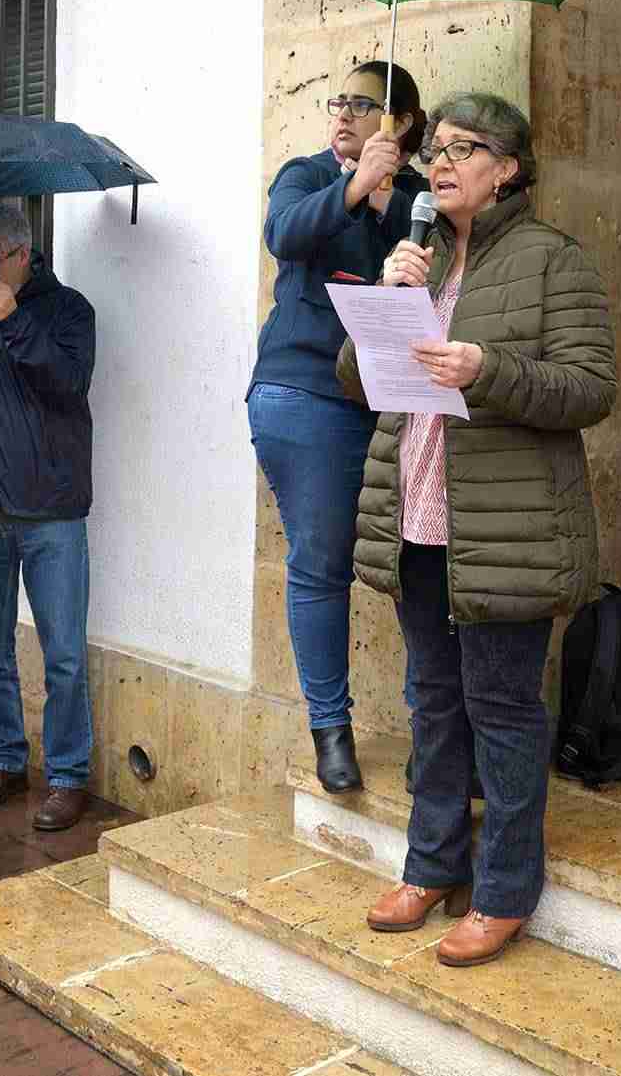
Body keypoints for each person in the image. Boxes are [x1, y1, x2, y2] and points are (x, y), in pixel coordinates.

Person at [338, 93, 613, 968]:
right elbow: (358, 380)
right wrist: (387, 300)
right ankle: (431, 865)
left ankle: (503, 890)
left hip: (505, 528)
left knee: (502, 709)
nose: (442, 163)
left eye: (465, 148)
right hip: (419, 519)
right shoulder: (415, 257)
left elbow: (588, 388)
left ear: (509, 169)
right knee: (432, 702)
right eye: (437, 150)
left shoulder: (550, 261)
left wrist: (488, 369)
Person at [252, 59, 427, 793]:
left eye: (363, 103)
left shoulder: (421, 197)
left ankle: (435, 728)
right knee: (321, 560)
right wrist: (354, 188)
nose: (345, 114)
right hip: (308, 394)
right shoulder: (303, 175)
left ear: (403, 124)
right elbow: (284, 235)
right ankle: (332, 729)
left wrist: (392, 211)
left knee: (420, 567)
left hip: (399, 399)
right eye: (338, 100)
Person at [0, 200, 98, 833]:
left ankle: (67, 776)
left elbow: (69, 384)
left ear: (22, 254)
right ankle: (4, 757)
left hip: (51, 506)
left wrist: (14, 324)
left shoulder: (69, 311)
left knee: (62, 653)